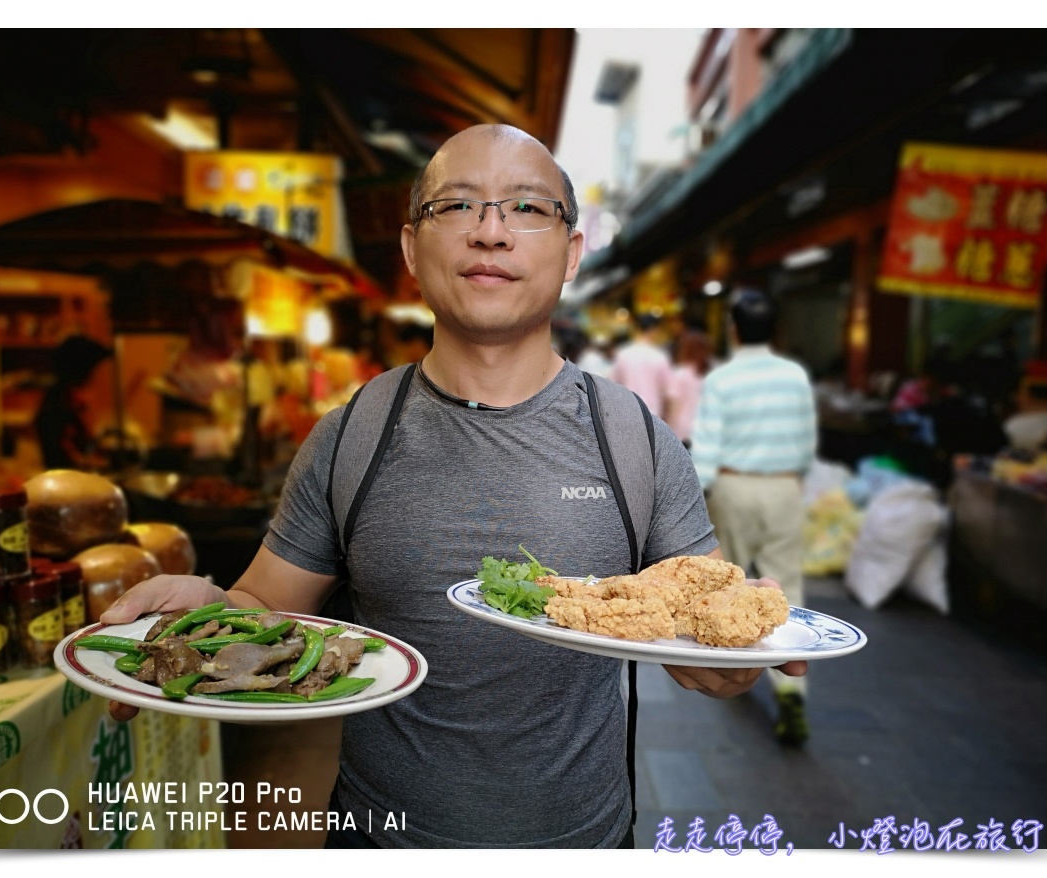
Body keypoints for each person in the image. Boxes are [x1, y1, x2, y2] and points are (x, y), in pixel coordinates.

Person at [100, 125, 805, 848]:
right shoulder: (350, 436)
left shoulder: (636, 440)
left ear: (570, 253)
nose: (491, 232)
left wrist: (732, 658)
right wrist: (206, 611)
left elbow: (704, 620)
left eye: (527, 207)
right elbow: (267, 607)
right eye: (457, 207)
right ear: (411, 249)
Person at [691, 288, 817, 746]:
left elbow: (705, 450)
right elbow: (806, 445)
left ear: (735, 329)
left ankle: (736, 668)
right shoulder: (796, 376)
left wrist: (698, 495)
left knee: (734, 583)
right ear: (777, 331)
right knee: (788, 585)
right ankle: (792, 688)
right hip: (784, 486)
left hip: (735, 486)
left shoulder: (722, 379)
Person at [35, 334, 113, 470]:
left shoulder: (66, 396)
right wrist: (98, 464)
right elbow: (63, 455)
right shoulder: (60, 401)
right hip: (67, 482)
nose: (94, 375)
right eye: (92, 368)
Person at [609, 311, 672, 417]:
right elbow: (668, 393)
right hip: (653, 415)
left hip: (627, 412)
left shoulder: (623, 354)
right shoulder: (660, 357)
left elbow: (612, 385)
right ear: (654, 330)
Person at [664, 326, 712, 449]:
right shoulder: (709, 374)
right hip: (704, 431)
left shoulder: (680, 374)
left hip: (683, 432)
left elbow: (674, 408)